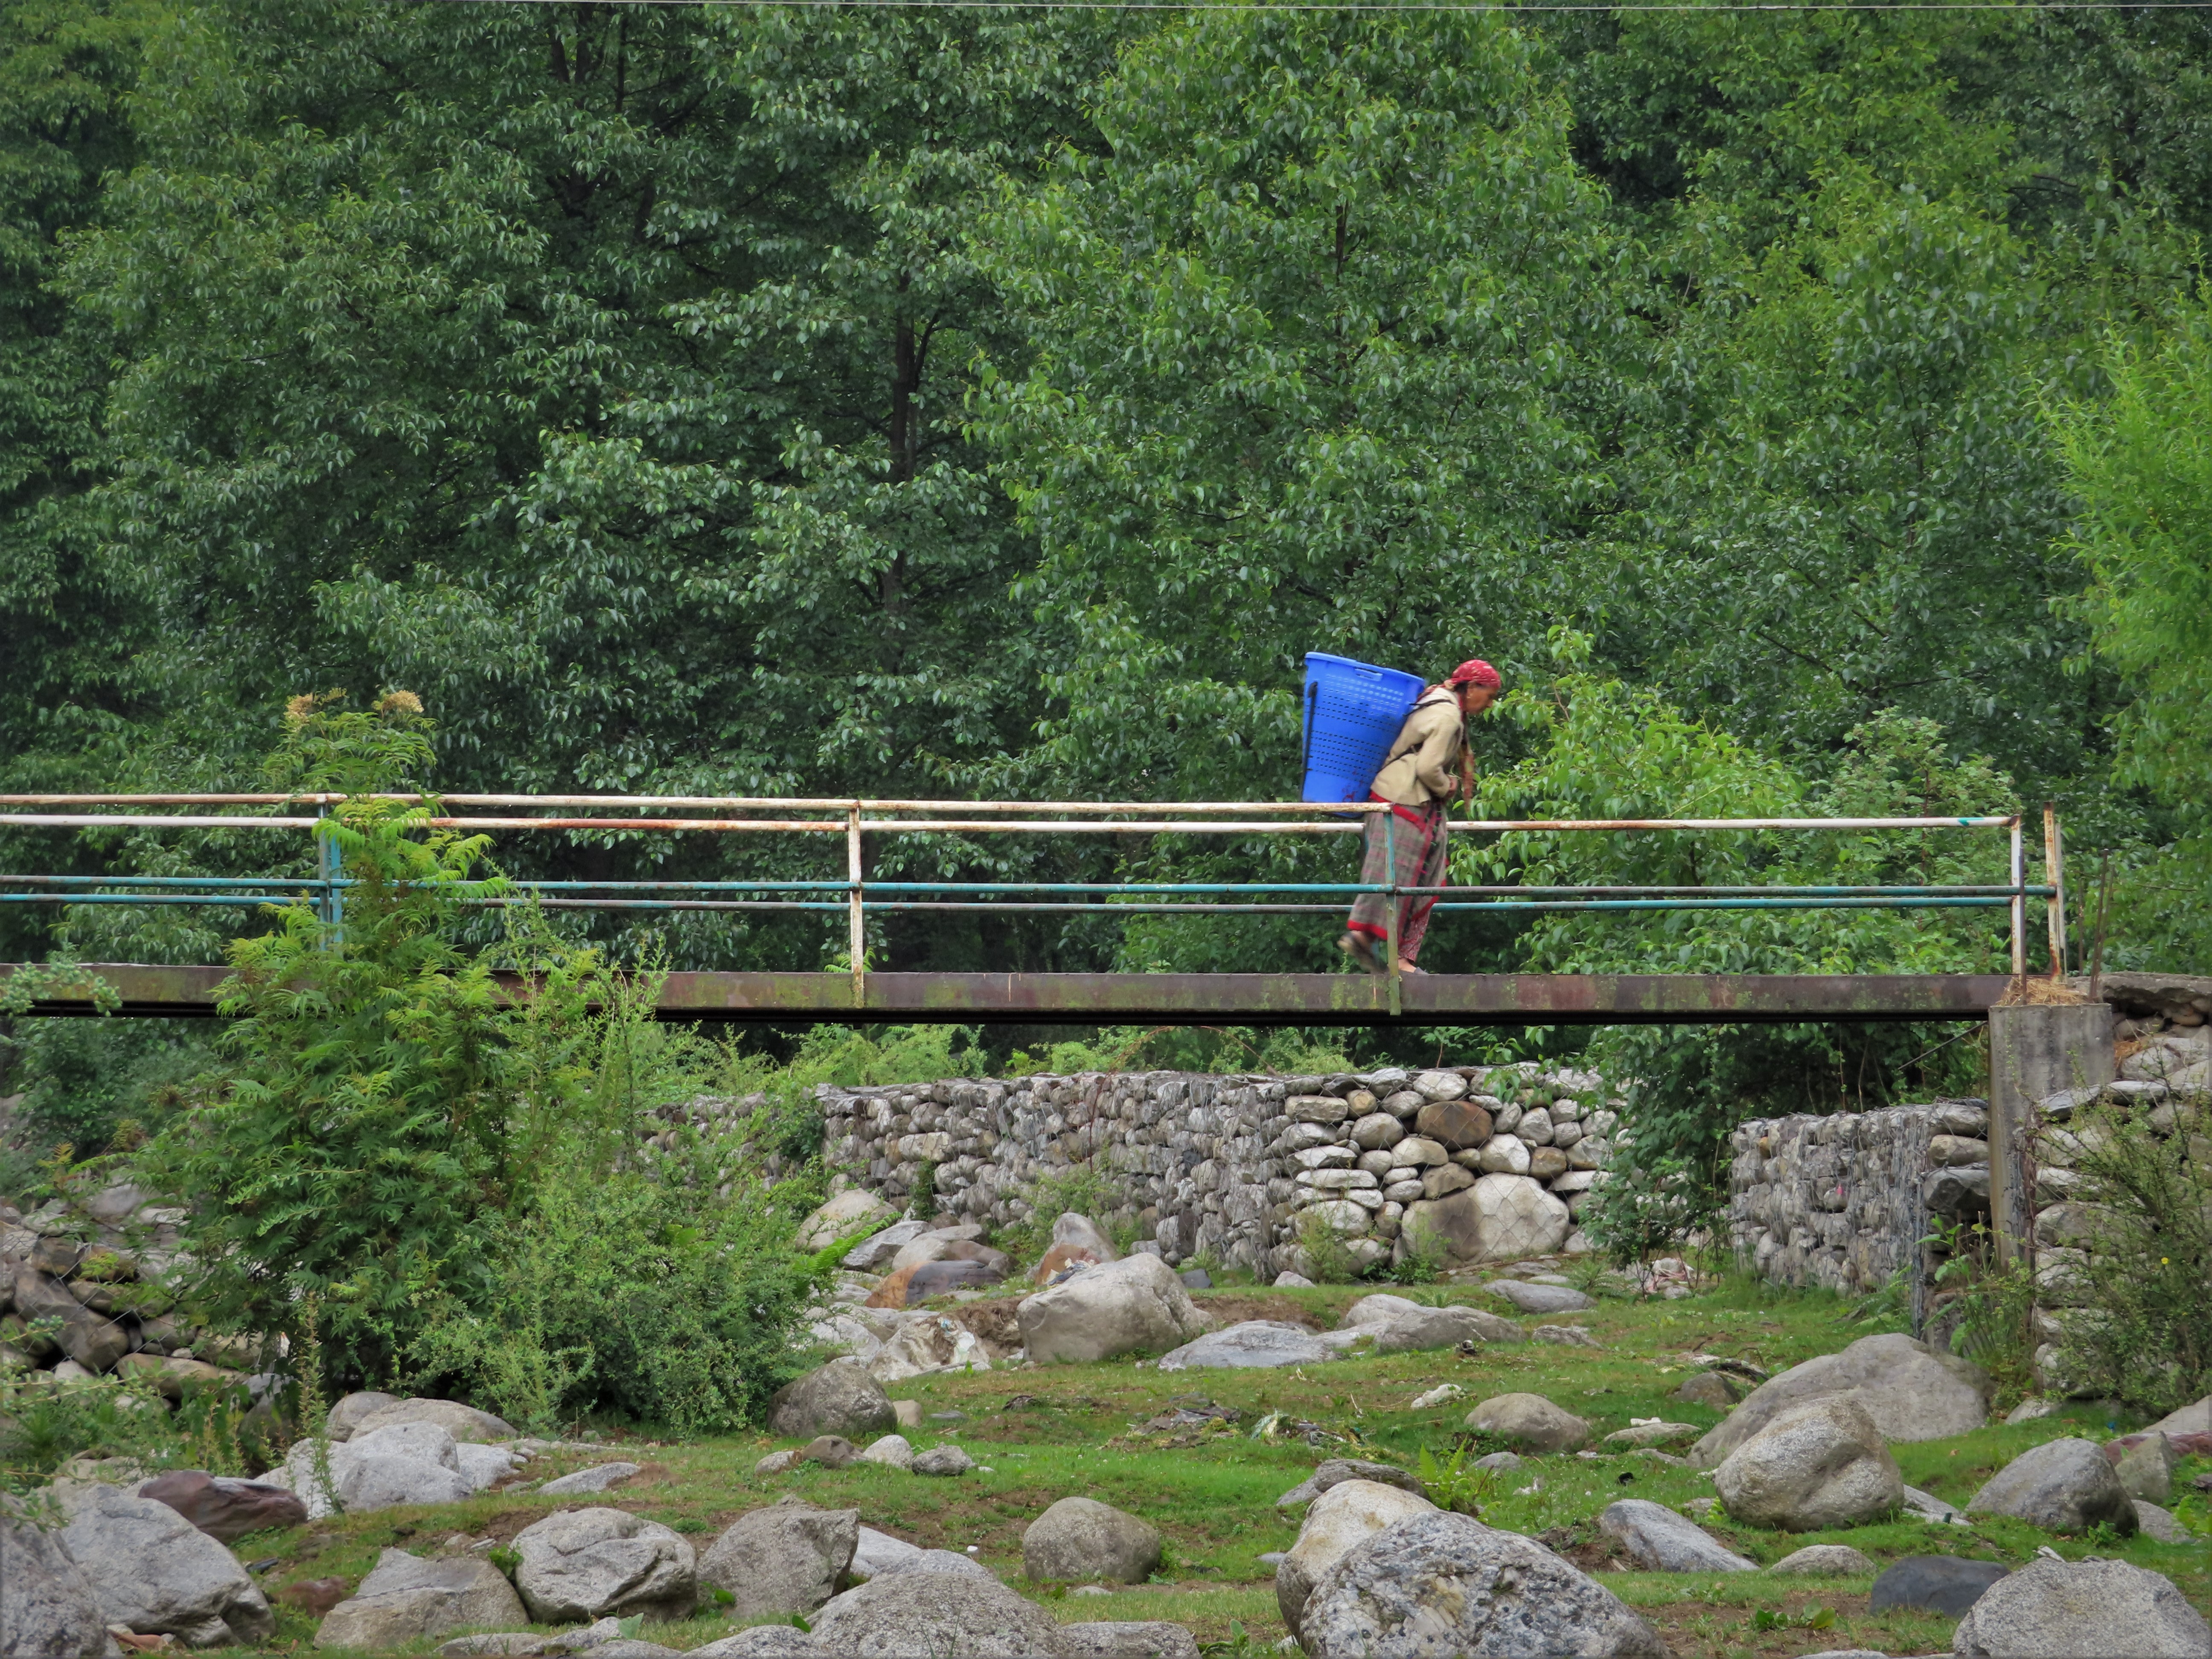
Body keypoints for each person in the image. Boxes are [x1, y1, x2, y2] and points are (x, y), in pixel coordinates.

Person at [1339, 658, 1501, 975]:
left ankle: (1373, 944)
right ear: (1473, 688)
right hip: (1404, 800)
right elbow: (1428, 768)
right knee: (1402, 879)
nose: (1491, 703)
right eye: (1490, 694)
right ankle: (1388, 953)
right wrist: (1449, 785)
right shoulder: (1448, 715)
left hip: (1402, 799)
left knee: (1405, 877)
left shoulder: (1437, 701)